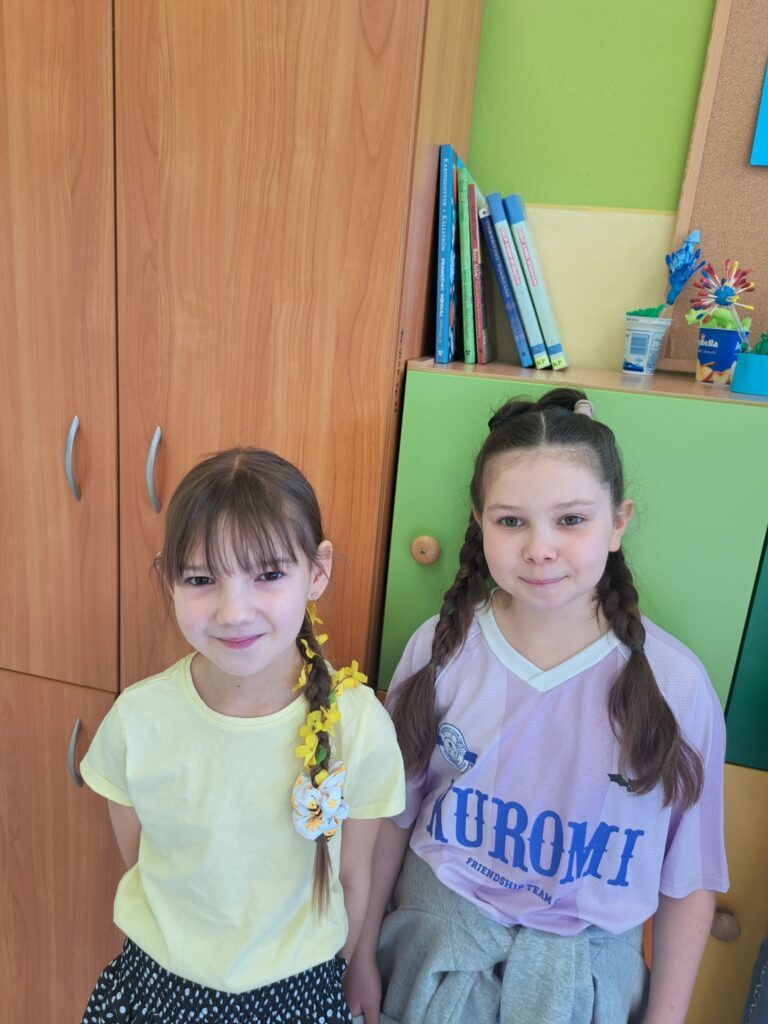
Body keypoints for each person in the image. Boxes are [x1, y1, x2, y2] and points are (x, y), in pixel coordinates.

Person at [345, 388, 728, 1024]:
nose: (540, 548)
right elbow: (390, 818)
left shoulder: (676, 684)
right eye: (511, 521)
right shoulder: (441, 649)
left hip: (587, 988)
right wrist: (360, 953)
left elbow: (687, 880)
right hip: (430, 962)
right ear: (479, 522)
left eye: (570, 520)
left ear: (619, 522)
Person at [80, 448, 405, 1024]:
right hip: (155, 991)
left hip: (299, 997)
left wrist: (355, 966)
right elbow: (142, 863)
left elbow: (355, 879)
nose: (234, 612)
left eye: (269, 575)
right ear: (169, 578)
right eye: (201, 578)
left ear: (317, 572)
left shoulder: (359, 725)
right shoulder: (137, 719)